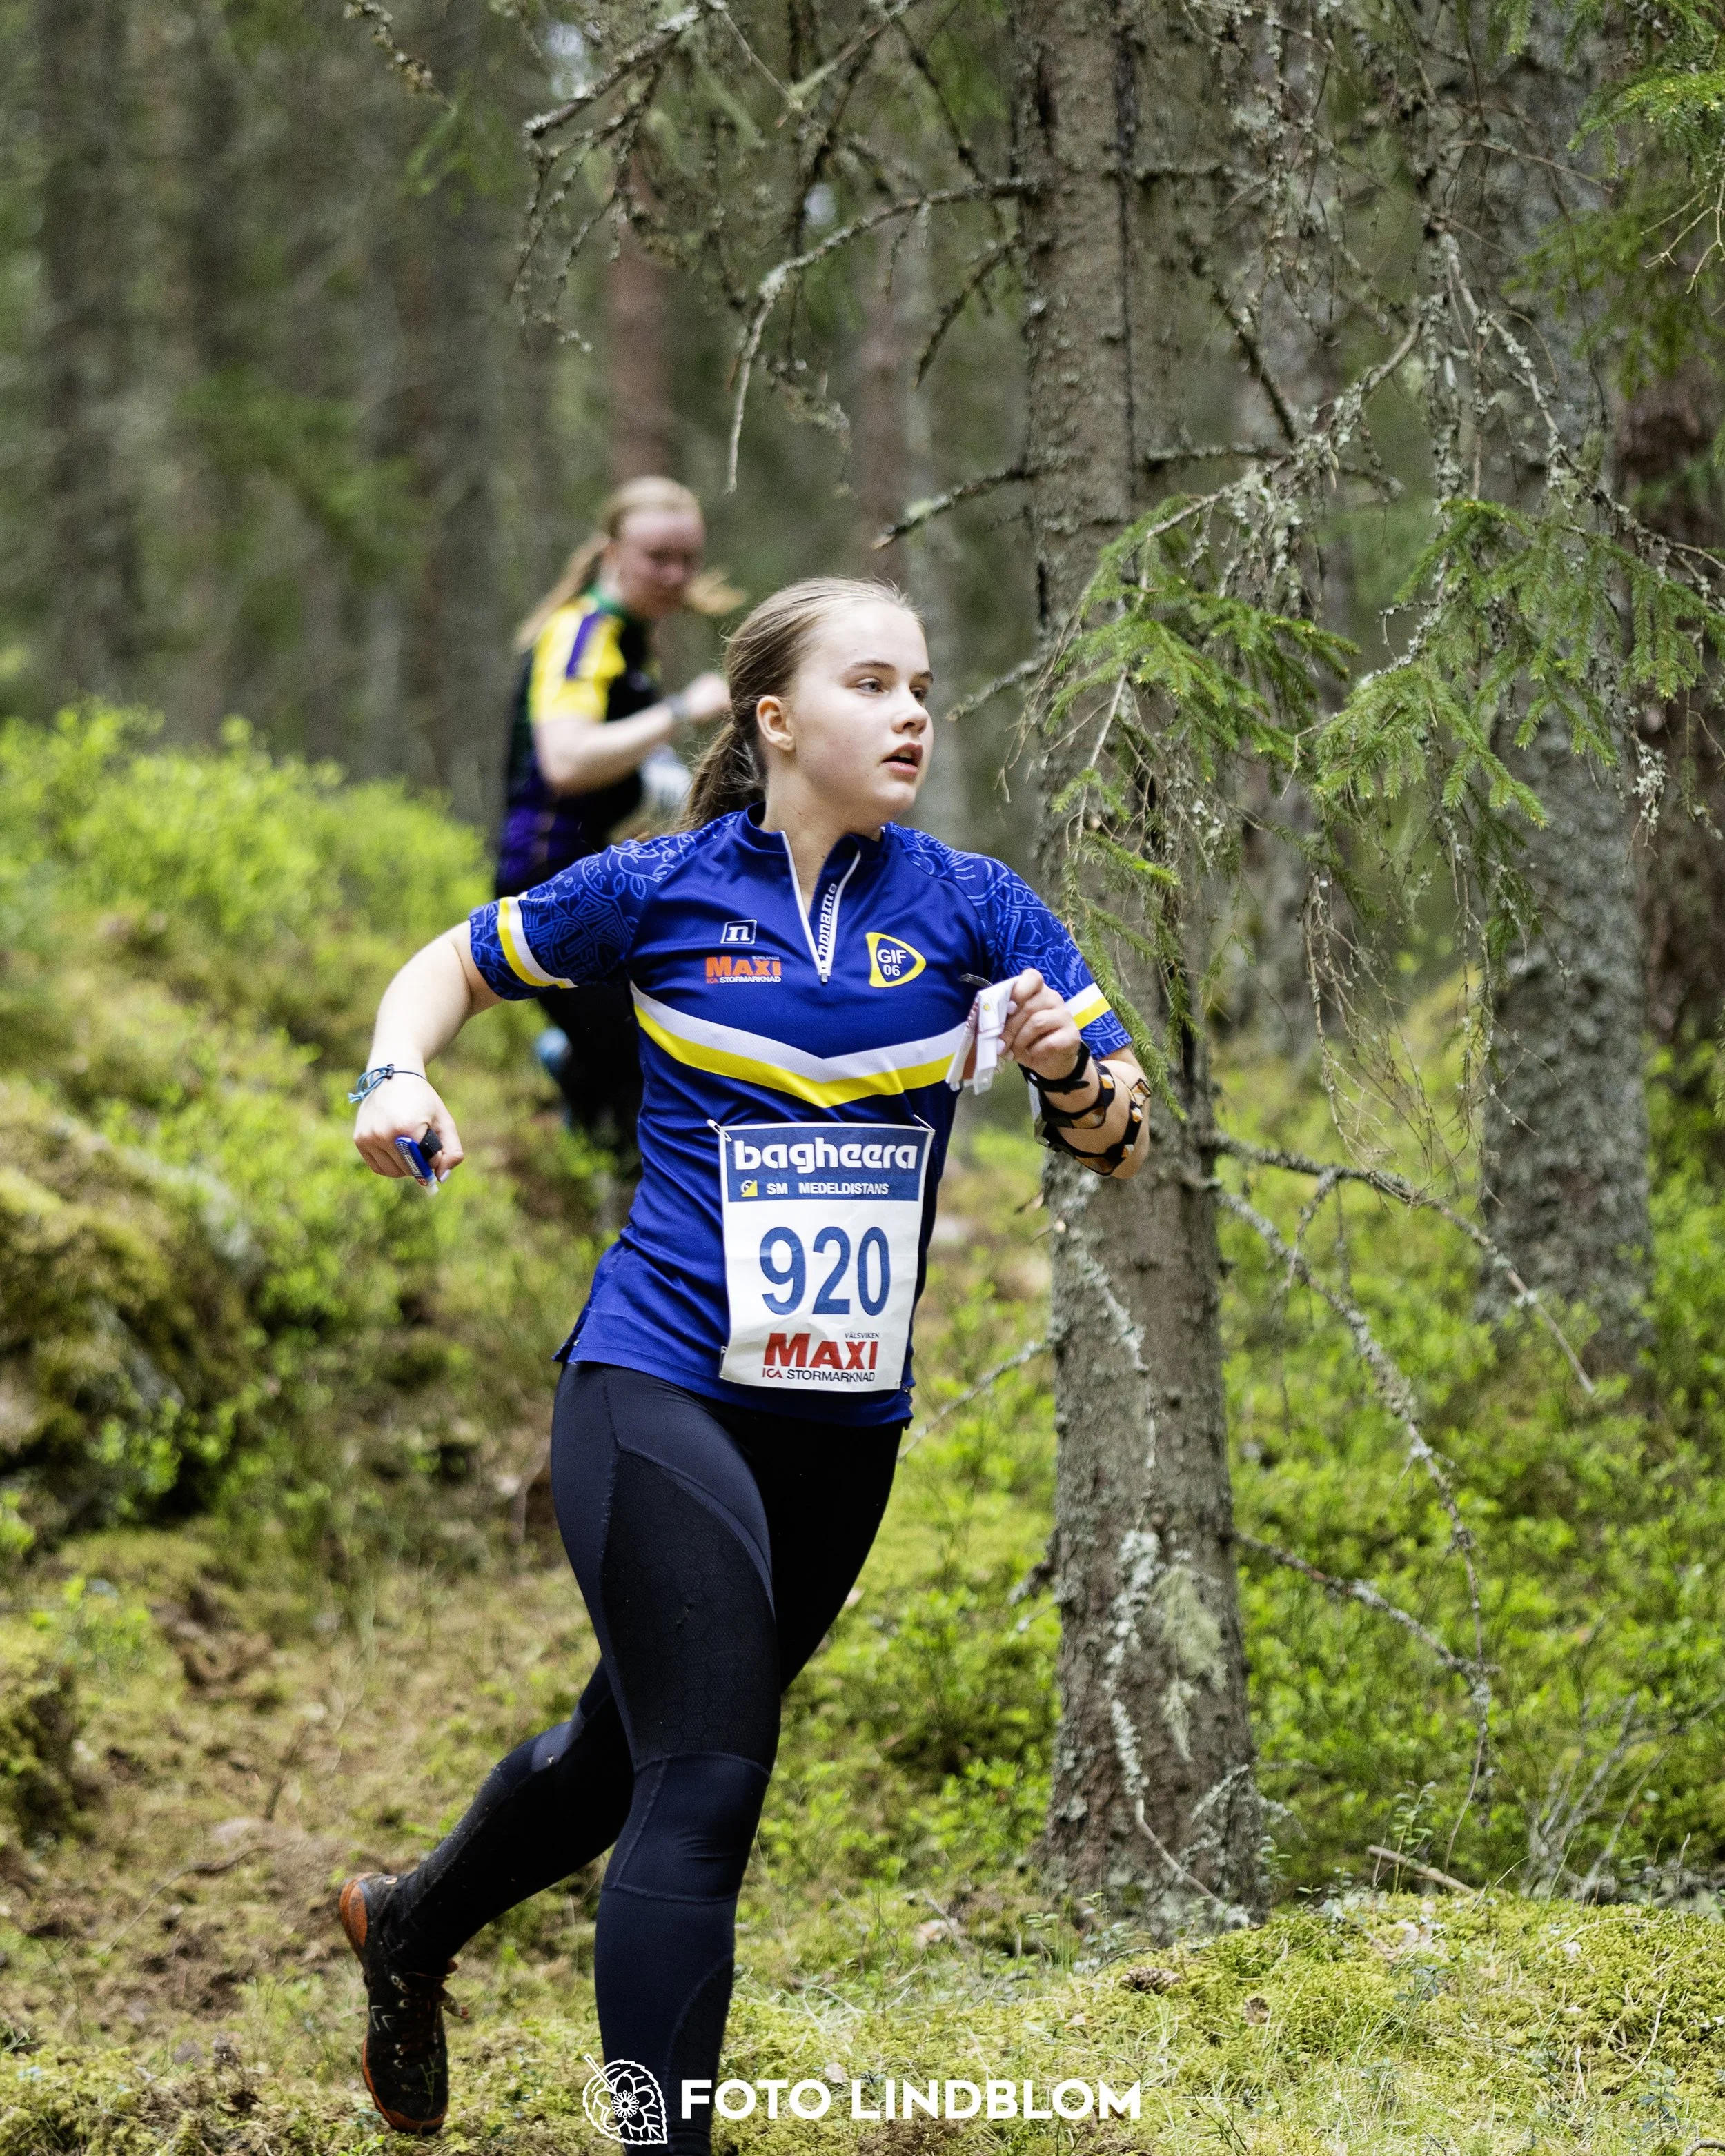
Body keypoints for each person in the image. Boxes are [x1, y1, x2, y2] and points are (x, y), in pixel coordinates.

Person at [342, 577, 1152, 2148]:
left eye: (926, 683)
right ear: (776, 718)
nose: (915, 709)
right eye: (872, 681)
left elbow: (1121, 1141)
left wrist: (1067, 1072)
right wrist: (395, 1074)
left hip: (841, 1434)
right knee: (707, 1779)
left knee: (622, 1752)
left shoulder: (981, 909)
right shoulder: (654, 889)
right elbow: (446, 965)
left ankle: (414, 1920)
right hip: (654, 1387)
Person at [500, 475, 733, 1149]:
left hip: (599, 886)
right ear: (611, 552)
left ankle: (576, 1077)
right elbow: (566, 760)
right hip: (543, 883)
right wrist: (680, 711)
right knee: (648, 1076)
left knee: (664, 1049)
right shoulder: (582, 631)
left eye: (687, 558)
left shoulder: (627, 638)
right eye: (657, 556)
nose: (675, 574)